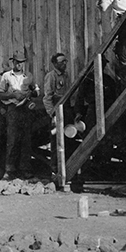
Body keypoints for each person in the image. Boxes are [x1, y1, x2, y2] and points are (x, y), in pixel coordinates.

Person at [0, 50, 39, 180]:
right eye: (17, 62)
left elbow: (36, 91)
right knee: (12, 140)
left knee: (26, 140)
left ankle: (25, 169)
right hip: (13, 109)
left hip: (25, 109)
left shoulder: (29, 76)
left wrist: (32, 93)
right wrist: (13, 94)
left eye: (22, 62)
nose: (19, 65)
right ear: (13, 62)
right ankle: (9, 170)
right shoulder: (6, 76)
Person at [43, 52, 79, 184]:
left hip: (67, 110)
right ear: (55, 64)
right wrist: (53, 114)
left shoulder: (66, 75)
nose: (65, 64)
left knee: (69, 140)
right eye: (62, 62)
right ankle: (55, 172)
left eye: (66, 61)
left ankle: (68, 170)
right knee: (56, 142)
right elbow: (47, 98)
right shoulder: (51, 77)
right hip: (57, 113)